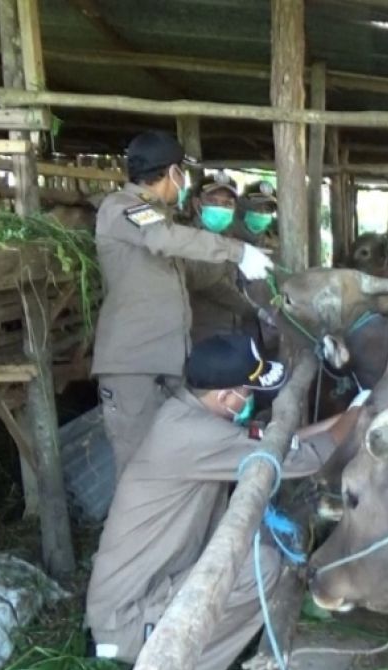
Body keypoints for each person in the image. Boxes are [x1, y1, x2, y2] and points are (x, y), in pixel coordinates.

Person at [85, 333, 346, 670]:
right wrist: (356, 419)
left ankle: (194, 657)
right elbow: (301, 459)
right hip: (125, 618)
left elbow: (278, 442)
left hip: (149, 586)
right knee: (262, 567)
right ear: (225, 398)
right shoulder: (193, 435)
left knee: (257, 542)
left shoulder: (191, 414)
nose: (252, 401)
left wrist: (344, 417)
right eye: (248, 391)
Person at [92, 130, 274, 476]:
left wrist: (254, 307)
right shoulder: (122, 208)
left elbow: (197, 278)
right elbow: (162, 239)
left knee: (176, 458)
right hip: (136, 366)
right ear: (172, 172)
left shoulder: (160, 220)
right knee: (138, 467)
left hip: (170, 363)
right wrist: (236, 251)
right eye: (182, 173)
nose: (183, 181)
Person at [183, 172, 264, 342]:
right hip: (199, 334)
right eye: (213, 202)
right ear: (197, 203)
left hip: (233, 329)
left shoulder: (229, 237)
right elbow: (211, 285)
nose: (221, 208)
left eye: (227, 204)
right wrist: (255, 311)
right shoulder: (185, 239)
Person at [236, 180, 280, 250]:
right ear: (242, 205)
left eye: (267, 209)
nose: (262, 212)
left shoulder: (274, 236)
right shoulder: (228, 232)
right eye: (257, 206)